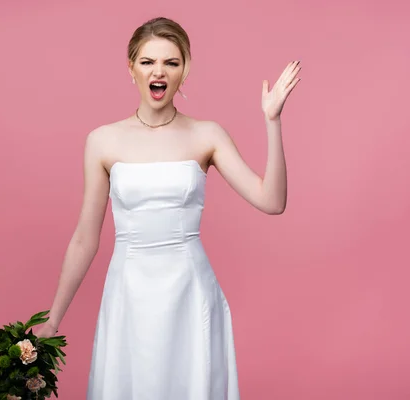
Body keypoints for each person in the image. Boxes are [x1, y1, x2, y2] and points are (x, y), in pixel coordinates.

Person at [34, 16, 301, 400]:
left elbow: (272, 202)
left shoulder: (206, 134)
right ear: (131, 68)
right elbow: (84, 239)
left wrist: (272, 121)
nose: (158, 71)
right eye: (147, 62)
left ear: (184, 70)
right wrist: (53, 318)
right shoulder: (103, 141)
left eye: (171, 63)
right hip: (128, 294)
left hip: (189, 294)